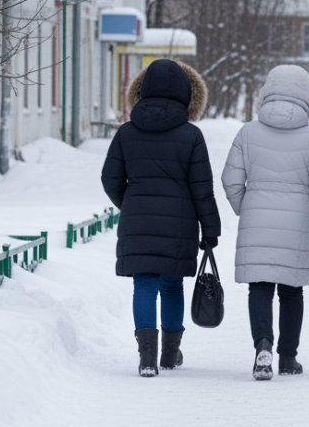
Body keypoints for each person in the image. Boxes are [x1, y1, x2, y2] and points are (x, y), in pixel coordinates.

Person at [101, 59, 221, 377]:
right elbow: (202, 189)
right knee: (171, 286)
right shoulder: (191, 136)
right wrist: (211, 229)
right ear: (186, 95)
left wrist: (130, 203)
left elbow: (109, 179)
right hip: (179, 224)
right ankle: (169, 354)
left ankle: (146, 358)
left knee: (144, 286)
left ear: (140, 92)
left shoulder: (126, 133)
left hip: (137, 222)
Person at [222, 65, 309, 380]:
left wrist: (244, 207)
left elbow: (230, 179)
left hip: (256, 215)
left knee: (259, 286)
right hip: (297, 219)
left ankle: (262, 344)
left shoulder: (247, 132)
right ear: (307, 97)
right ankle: (288, 357)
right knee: (291, 290)